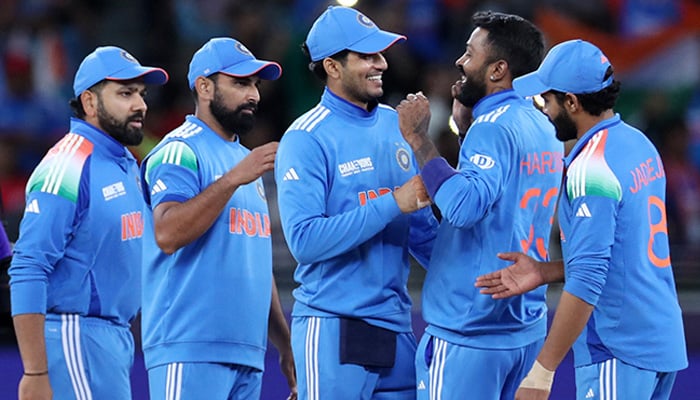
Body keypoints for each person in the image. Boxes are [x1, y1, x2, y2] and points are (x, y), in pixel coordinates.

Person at [476, 39, 688, 400]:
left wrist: (542, 371)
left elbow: (589, 278)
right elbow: (623, 251)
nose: (542, 108)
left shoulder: (590, 167)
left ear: (571, 102)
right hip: (660, 340)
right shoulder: (638, 143)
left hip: (618, 347)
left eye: (548, 99)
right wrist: (545, 271)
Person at [396, 11, 564, 399]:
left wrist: (420, 140)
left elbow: (463, 208)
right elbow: (502, 197)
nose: (460, 61)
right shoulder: (543, 125)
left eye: (470, 54)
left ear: (497, 70)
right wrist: (469, 130)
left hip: (470, 328)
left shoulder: (493, 127)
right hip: (524, 327)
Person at [274, 6, 438, 400]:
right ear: (332, 66)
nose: (381, 63)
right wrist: (392, 202)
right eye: (366, 56)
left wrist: (476, 276)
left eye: (380, 54)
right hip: (334, 326)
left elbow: (420, 230)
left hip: (397, 325)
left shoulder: (393, 125)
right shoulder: (306, 138)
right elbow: (305, 241)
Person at [139, 37, 297, 400]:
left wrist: (284, 343)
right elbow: (166, 232)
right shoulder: (181, 149)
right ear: (205, 87)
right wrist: (231, 179)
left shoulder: (244, 161)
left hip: (245, 350)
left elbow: (256, 261)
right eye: (241, 83)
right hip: (189, 346)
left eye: (256, 84)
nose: (254, 95)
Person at [8, 46, 168, 400]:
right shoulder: (66, 166)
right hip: (73, 336)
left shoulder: (125, 161)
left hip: (112, 339)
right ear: (90, 102)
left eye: (141, 94)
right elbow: (28, 267)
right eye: (125, 93)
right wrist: (35, 371)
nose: (140, 105)